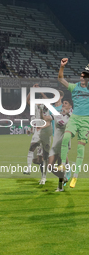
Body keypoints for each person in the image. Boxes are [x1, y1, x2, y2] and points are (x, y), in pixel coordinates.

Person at [56, 60, 89, 188]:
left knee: (81, 147)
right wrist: (62, 67)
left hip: (86, 120)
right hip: (74, 118)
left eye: (85, 76)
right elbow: (60, 79)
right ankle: (63, 163)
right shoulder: (74, 87)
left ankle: (75, 176)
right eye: (81, 75)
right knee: (66, 137)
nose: (82, 77)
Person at [40, 99, 73, 191]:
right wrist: (41, 110)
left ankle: (60, 187)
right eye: (63, 103)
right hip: (55, 145)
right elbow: (45, 118)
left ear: (70, 106)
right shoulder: (57, 114)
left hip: (64, 146)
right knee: (50, 167)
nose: (63, 104)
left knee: (60, 166)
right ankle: (65, 178)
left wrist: (67, 113)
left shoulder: (72, 116)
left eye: (66, 103)